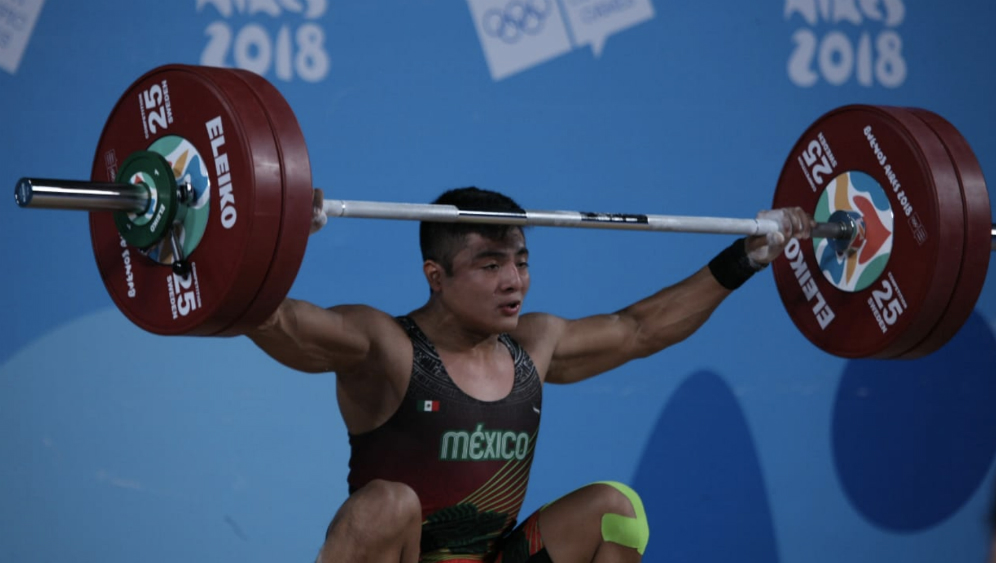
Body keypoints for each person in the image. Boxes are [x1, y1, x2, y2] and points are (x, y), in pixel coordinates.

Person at [246, 187, 814, 563]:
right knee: (386, 504)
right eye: (490, 265)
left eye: (520, 260)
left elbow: (641, 329)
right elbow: (273, 319)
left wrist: (747, 258)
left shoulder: (533, 346)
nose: (513, 280)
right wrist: (270, 233)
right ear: (435, 275)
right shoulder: (386, 347)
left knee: (617, 510)